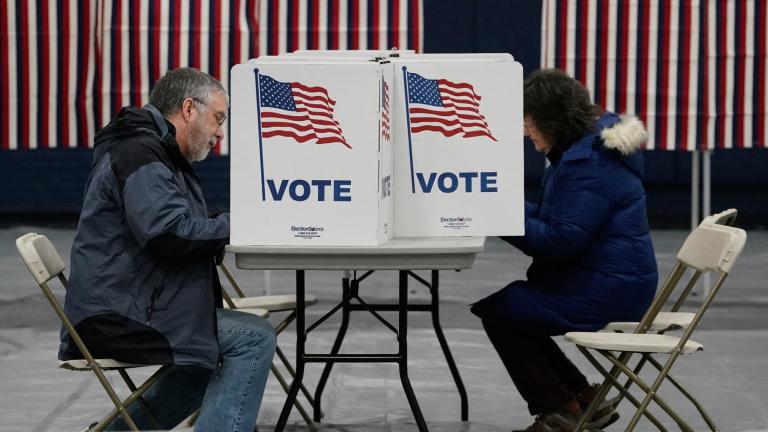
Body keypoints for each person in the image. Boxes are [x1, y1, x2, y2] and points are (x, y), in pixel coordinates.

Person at [59, 68, 276, 431]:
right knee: (254, 338)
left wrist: (223, 223)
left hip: (125, 303)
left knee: (202, 361)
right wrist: (243, 224)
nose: (220, 133)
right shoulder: (140, 153)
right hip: (117, 315)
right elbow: (168, 234)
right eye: (218, 118)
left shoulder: (150, 149)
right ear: (189, 109)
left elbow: (172, 224)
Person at [470, 69, 658, 432]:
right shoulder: (587, 151)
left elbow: (559, 242)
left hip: (608, 291)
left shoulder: (589, 165)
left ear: (551, 120)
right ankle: (583, 399)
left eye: (527, 121)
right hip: (613, 281)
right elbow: (561, 218)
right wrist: (498, 201)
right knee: (515, 307)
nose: (524, 130)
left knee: (505, 312)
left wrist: (496, 215)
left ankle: (561, 411)